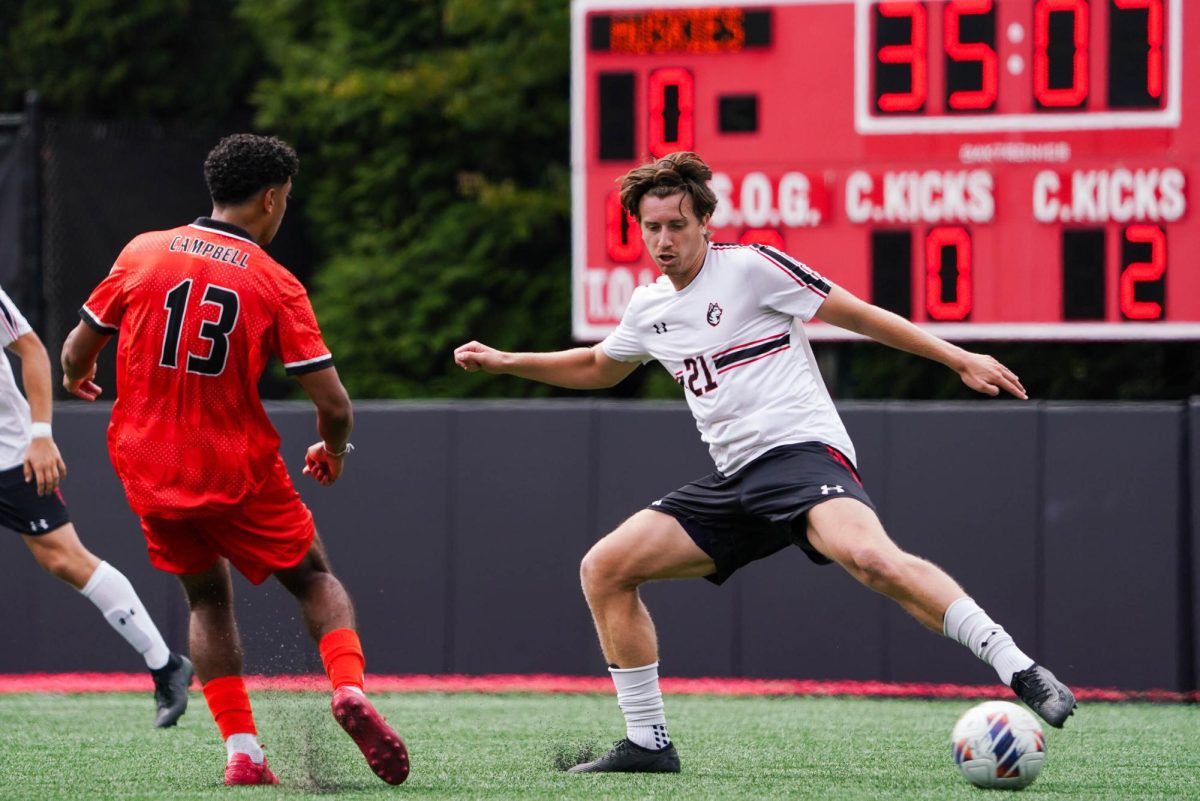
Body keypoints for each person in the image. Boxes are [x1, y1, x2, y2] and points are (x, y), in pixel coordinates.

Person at [454, 151, 1076, 774]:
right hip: (738, 481)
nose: (664, 240)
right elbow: (596, 367)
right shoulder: (649, 309)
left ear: (705, 224)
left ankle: (1020, 669)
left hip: (801, 454)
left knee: (871, 559)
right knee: (605, 569)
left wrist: (955, 356)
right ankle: (648, 743)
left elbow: (855, 312)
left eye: (676, 224)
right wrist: (509, 361)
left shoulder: (750, 269)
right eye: (652, 228)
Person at [60, 133, 408, 787]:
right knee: (313, 580)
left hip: (147, 465)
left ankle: (243, 751)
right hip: (234, 465)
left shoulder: (143, 250)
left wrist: (80, 375)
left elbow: (78, 348)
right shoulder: (275, 282)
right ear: (272, 198)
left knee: (206, 604)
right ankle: (349, 689)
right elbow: (333, 404)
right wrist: (334, 451)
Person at [0, 285, 193, 727]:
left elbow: (31, 349)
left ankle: (165, 665)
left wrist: (41, 434)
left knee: (64, 559)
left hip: (8, 454)